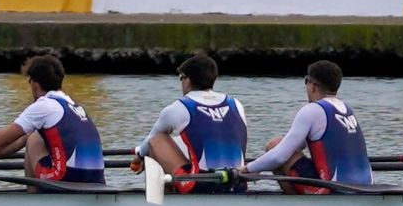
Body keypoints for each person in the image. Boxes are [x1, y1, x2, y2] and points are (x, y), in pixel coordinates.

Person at [0, 54, 104, 185]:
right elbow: (17, 142)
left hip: (66, 177)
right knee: (33, 136)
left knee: (33, 139)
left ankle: (34, 200)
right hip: (97, 178)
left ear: (34, 83)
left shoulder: (44, 105)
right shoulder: (73, 105)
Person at [237, 59, 370, 194]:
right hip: (365, 187)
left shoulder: (312, 110)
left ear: (312, 85)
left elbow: (279, 156)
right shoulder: (347, 109)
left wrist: (246, 169)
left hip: (333, 190)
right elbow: (299, 145)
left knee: (274, 145)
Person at [131, 54, 248, 193]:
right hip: (238, 184)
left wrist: (138, 158)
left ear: (187, 81)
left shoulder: (180, 107)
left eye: (181, 78)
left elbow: (149, 141)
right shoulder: (236, 104)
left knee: (157, 140)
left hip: (201, 185)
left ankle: (164, 205)